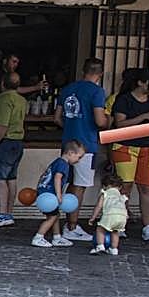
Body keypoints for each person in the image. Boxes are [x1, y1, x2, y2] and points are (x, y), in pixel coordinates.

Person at [55, 58, 109, 241]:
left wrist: (71, 128)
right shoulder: (97, 91)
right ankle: (72, 226)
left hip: (67, 143)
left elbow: (57, 118)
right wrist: (109, 121)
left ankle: (66, 223)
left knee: (68, 183)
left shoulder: (68, 89)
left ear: (83, 71)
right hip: (86, 145)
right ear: (100, 74)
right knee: (79, 186)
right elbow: (100, 121)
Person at [110, 67, 149, 242]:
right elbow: (120, 124)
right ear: (141, 83)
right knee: (125, 187)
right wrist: (145, 116)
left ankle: (148, 227)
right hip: (125, 146)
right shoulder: (123, 100)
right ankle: (120, 224)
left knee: (147, 188)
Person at [0, 72, 27, 228]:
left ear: (2, 83)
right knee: (11, 178)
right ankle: (8, 212)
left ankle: (2, 214)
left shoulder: (3, 100)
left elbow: (2, 126)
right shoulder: (21, 100)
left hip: (5, 143)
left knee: (0, 179)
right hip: (18, 142)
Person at [30, 140, 87, 248]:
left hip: (45, 194)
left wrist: (38, 189)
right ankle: (38, 237)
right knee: (52, 217)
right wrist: (59, 195)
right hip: (49, 196)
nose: (78, 161)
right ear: (70, 153)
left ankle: (57, 237)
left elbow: (44, 175)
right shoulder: (63, 165)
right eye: (78, 157)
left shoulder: (57, 161)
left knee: (55, 216)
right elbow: (57, 178)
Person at [89, 168, 128, 257]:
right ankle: (114, 249)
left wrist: (93, 218)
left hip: (110, 215)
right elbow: (123, 206)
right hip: (122, 216)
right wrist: (126, 216)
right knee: (115, 231)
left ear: (104, 186)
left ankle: (100, 246)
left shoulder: (105, 193)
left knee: (100, 229)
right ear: (120, 187)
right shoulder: (121, 196)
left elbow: (99, 206)